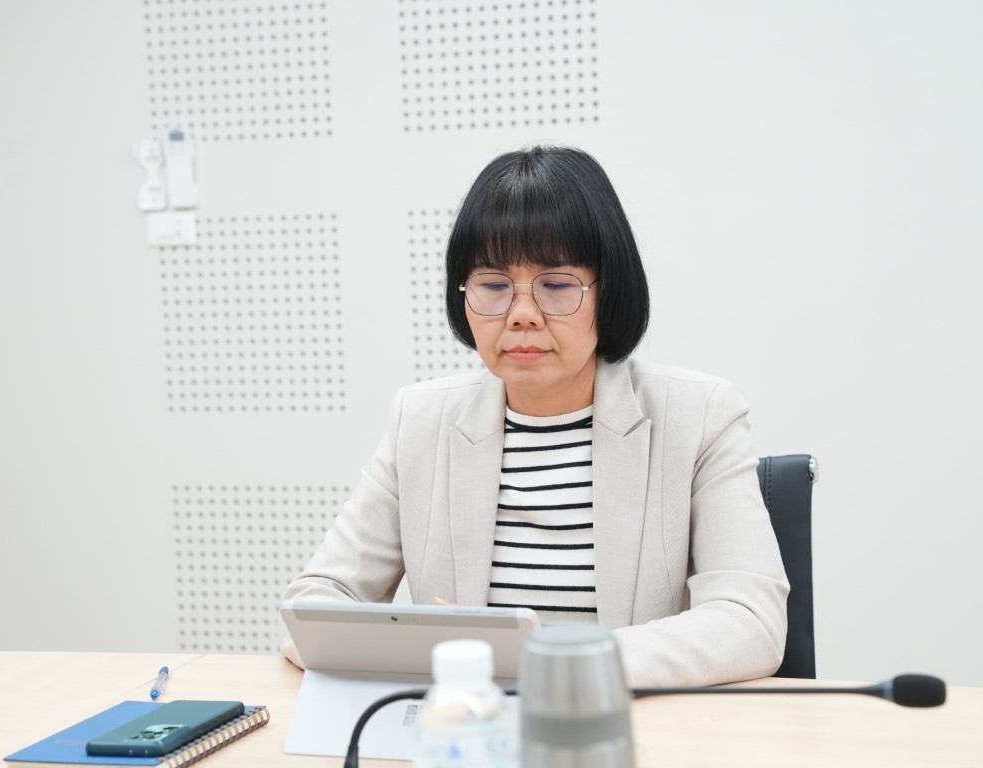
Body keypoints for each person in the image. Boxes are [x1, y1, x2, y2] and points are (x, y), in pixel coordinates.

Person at [279, 146, 789, 688]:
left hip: (619, 723)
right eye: (494, 286)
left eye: (557, 285)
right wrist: (441, 654)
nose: (522, 315)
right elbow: (313, 607)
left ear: (608, 292)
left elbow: (749, 621)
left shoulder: (698, 416)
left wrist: (549, 659)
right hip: (473, 724)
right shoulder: (421, 421)